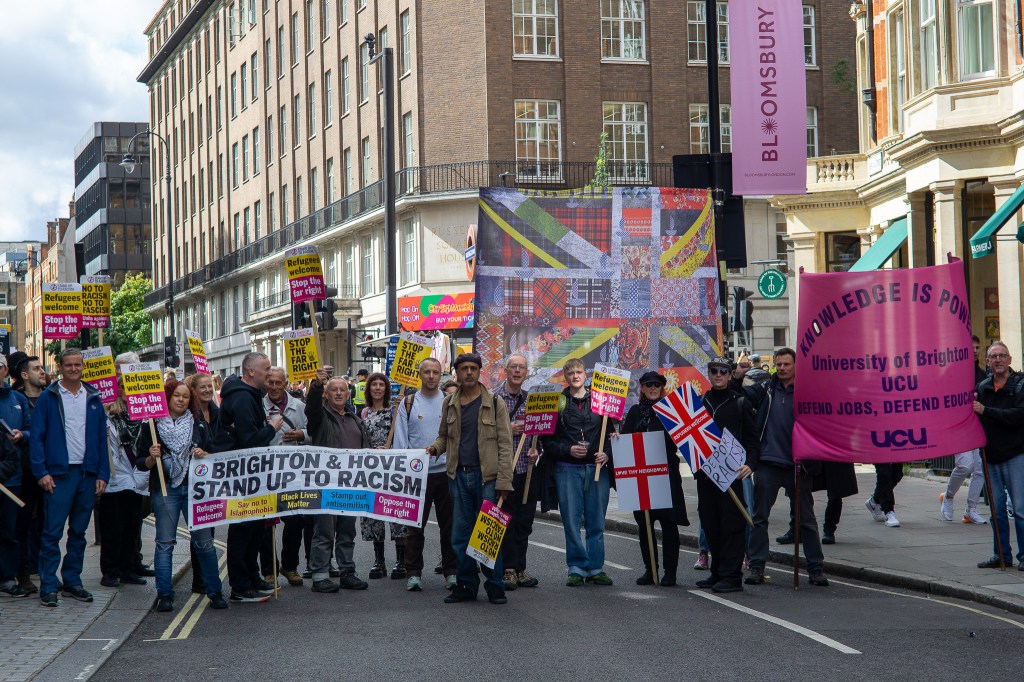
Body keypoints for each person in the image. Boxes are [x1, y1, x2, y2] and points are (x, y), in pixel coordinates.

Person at [428, 352, 513, 605]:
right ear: (457, 372)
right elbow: (443, 437)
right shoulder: (449, 403)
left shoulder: (495, 402)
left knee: (488, 534)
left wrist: (504, 483)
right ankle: (466, 584)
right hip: (457, 477)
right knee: (460, 535)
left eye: (473, 368)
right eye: (464, 368)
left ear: (479, 372)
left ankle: (495, 585)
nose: (469, 373)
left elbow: (505, 444)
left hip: (487, 478)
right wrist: (433, 449)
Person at [28, 349, 110, 607]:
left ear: (83, 367)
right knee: (52, 533)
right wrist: (41, 472)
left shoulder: (93, 397)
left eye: (78, 365)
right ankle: (49, 585)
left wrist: (102, 473)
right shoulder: (49, 397)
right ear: (61, 367)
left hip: (87, 474)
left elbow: (101, 439)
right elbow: (37, 438)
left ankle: (72, 581)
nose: (74, 369)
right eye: (69, 365)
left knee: (78, 532)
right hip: (58, 474)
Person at [136, 380, 227, 612]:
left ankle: (214, 591)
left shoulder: (199, 425)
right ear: (167, 397)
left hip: (195, 490)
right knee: (165, 543)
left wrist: (204, 453)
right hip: (166, 490)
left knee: (205, 543)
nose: (180, 400)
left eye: (185, 397)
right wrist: (150, 457)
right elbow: (141, 463)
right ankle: (165, 594)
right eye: (176, 395)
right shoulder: (151, 426)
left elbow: (214, 455)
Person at [745, 348, 829, 587]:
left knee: (807, 520)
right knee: (760, 518)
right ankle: (756, 567)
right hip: (768, 464)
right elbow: (742, 396)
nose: (781, 368)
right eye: (778, 364)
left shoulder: (807, 394)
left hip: (798, 465)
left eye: (786, 364)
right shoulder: (765, 390)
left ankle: (815, 569)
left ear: (795, 366)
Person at [542, 358, 616, 587]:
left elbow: (612, 435)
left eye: (579, 372)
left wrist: (607, 454)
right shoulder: (557, 402)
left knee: (596, 520)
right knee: (571, 520)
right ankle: (576, 567)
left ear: (586, 375)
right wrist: (567, 449)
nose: (575, 376)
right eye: (571, 372)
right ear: (565, 377)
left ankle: (595, 568)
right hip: (567, 469)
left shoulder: (601, 401)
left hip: (596, 469)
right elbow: (548, 441)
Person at [220, 352, 283, 602]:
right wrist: (271, 428)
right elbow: (249, 440)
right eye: (266, 369)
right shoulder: (243, 399)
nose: (270, 373)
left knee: (256, 529)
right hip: (242, 476)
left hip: (253, 475)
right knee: (243, 531)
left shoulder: (250, 396)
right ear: (250, 372)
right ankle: (240, 586)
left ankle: (253, 577)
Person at [693, 358, 759, 592]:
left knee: (731, 524)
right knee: (711, 524)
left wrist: (750, 464)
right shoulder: (701, 402)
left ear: (731, 375)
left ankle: (732, 577)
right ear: (708, 374)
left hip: (732, 474)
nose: (718, 375)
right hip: (706, 475)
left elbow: (752, 439)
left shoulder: (740, 401)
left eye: (723, 371)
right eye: (714, 371)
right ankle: (717, 572)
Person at [619, 370, 689, 587]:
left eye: (656, 385)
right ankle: (650, 570)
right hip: (642, 478)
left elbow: (684, 438)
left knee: (669, 525)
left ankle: (670, 572)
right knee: (645, 525)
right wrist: (617, 439)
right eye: (648, 384)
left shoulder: (671, 411)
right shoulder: (634, 412)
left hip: (666, 477)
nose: (652, 388)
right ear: (642, 387)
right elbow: (626, 439)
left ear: (661, 388)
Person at [305, 368, 370, 592]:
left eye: (343, 389)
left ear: (349, 393)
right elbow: (311, 407)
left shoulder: (355, 419)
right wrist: (316, 386)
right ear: (327, 394)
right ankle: (320, 576)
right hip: (326, 485)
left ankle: (347, 572)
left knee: (347, 531)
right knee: (324, 531)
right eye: (334, 390)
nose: (339, 393)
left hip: (350, 486)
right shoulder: (320, 417)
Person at [394, 357, 455, 591]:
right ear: (420, 374)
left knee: (449, 526)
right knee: (414, 527)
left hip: (446, 473)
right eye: (427, 372)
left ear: (441, 375)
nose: (431, 376)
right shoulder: (408, 403)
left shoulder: (450, 402)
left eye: (435, 372)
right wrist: (404, 470)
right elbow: (400, 439)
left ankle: (451, 571)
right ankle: (413, 572)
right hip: (417, 475)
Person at [973, 341, 1024, 569]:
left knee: (1021, 509)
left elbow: (1018, 416)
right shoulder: (982, 387)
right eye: (993, 356)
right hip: (991, 456)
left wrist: (987, 411)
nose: (998, 360)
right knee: (996, 510)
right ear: (988, 362)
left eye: (1002, 356)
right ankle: (1001, 555)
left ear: (1010, 360)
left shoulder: (1020, 385)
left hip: (1015, 454)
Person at [263, 367, 313, 586]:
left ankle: (289, 566)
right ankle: (269, 571)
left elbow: (314, 432)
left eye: (278, 383)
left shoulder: (299, 407)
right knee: (265, 524)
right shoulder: (258, 407)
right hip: (265, 475)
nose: (274, 387)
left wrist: (303, 434)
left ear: (286, 384)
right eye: (270, 382)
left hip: (293, 477)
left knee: (295, 521)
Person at [96, 385, 149, 589]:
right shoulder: (108, 416)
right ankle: (110, 571)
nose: (132, 393)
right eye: (127, 389)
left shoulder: (144, 416)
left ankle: (128, 569)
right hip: (115, 476)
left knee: (131, 526)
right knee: (112, 527)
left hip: (137, 476)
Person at [359, 372, 408, 580]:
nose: (378, 388)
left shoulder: (395, 412)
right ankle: (379, 561)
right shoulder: (363, 414)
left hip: (393, 470)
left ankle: (401, 561)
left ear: (387, 389)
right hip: (372, 471)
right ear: (368, 389)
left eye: (381, 385)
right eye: (374, 385)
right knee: (374, 515)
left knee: (396, 513)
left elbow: (403, 437)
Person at [942, 337, 989, 525]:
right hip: (960, 426)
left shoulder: (982, 374)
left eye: (978, 347)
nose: (976, 350)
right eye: (972, 347)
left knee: (979, 469)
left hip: (978, 425)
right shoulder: (953, 372)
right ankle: (949, 497)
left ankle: (971, 509)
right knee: (964, 465)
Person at [185, 373, 225, 594]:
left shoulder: (217, 413)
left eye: (210, 386)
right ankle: (199, 579)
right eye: (203, 387)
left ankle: (204, 577)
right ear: (193, 390)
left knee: (210, 525)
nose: (208, 390)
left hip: (214, 476)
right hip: (196, 479)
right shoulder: (190, 415)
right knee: (200, 529)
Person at [0, 353, 31, 597]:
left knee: (10, 532)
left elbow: (32, 430)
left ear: (5, 370)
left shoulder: (17, 399)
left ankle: (8, 578)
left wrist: (23, 435)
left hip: (12, 479)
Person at [865, 463, 904, 528]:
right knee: (884, 472)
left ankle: (874, 500)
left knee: (897, 474)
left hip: (894, 453)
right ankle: (889, 512)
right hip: (879, 453)